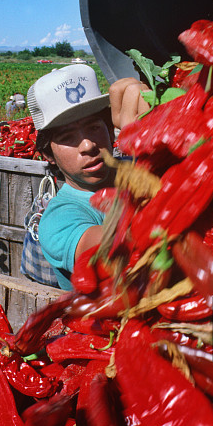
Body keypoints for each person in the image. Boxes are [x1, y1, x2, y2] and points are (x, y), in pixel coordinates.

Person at [34, 65, 137, 290]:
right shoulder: (59, 219)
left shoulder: (139, 167)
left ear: (110, 132)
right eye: (68, 137)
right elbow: (120, 252)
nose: (88, 145)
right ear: (48, 154)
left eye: (94, 127)